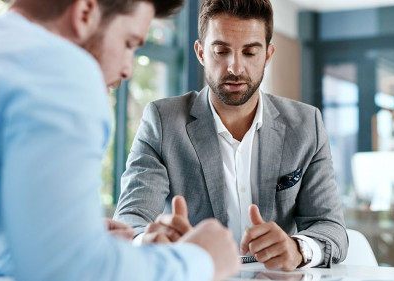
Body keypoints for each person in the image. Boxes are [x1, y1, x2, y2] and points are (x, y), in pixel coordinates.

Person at [0, 0, 240, 280]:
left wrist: (70, 236)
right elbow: (71, 272)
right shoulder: (58, 70)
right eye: (129, 43)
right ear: (85, 13)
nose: (128, 70)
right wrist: (201, 260)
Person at [114, 0, 348, 272]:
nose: (234, 68)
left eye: (250, 53)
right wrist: (149, 240)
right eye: (221, 51)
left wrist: (298, 249)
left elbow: (331, 227)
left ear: (268, 55)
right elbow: (131, 217)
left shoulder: (306, 125)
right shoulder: (163, 121)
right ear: (201, 53)